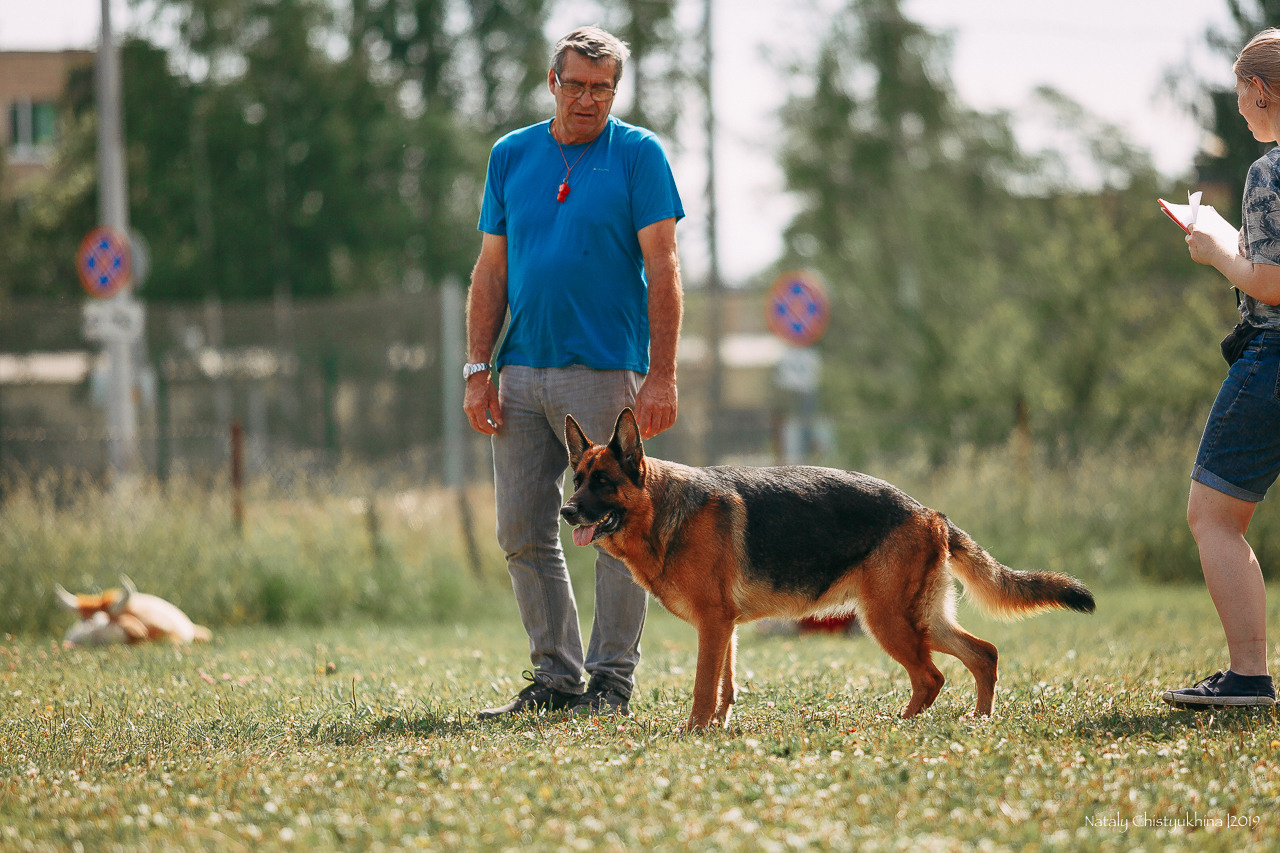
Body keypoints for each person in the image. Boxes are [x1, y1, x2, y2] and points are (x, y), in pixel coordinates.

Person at [464, 26, 685, 719]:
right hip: (521, 372)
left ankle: (611, 683)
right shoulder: (511, 155)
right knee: (522, 529)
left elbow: (664, 269)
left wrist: (662, 373)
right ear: (551, 81)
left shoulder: (639, 156)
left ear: (614, 90)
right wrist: (478, 367)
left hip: (604, 372)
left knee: (618, 529)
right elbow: (490, 270)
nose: (589, 99)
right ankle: (555, 679)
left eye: (603, 87)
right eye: (577, 84)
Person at [1163, 28, 1280, 710]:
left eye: (1241, 95)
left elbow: (1269, 283)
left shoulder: (1269, 171)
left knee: (1213, 514)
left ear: (1261, 91)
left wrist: (1215, 252)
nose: (1238, 109)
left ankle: (1248, 675)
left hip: (1271, 361)